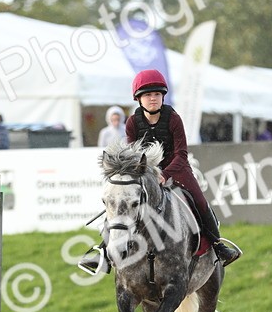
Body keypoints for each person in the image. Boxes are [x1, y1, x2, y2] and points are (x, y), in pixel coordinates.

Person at [81, 69, 242, 273]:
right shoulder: (132, 122)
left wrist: (164, 174)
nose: (153, 98)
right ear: (139, 99)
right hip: (146, 173)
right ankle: (103, 252)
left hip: (178, 169)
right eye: (148, 95)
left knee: (200, 201)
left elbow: (181, 154)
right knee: (120, 203)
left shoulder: (174, 119)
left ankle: (218, 246)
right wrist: (148, 174)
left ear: (163, 96)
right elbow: (134, 156)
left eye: (157, 94)